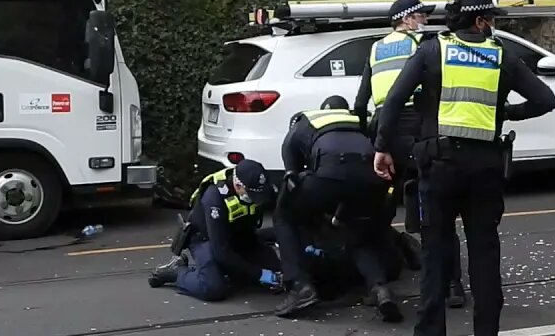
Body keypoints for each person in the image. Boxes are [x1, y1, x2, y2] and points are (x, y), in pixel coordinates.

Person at [375, 0, 555, 336]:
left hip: (439, 168)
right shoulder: (501, 56)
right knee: (485, 255)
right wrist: (503, 114)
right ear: (480, 20)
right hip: (486, 169)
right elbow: (545, 100)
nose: (493, 25)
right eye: (491, 18)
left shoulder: (431, 51)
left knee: (436, 254)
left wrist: (382, 148)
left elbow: (393, 101)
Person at [354, 0, 467, 307]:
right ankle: (453, 285)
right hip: (417, 129)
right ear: (406, 19)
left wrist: (374, 143)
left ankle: (377, 285)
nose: (425, 21)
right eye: (420, 16)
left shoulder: (376, 48)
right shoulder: (425, 44)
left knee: (378, 211)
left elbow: (360, 102)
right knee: (438, 210)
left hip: (385, 134)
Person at [274, 96, 404, 322]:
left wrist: (292, 176)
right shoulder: (356, 119)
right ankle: (379, 288)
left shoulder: (306, 119)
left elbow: (290, 158)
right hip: (370, 174)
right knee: (358, 233)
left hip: (330, 171)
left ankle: (299, 285)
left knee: (284, 216)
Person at [148, 159, 281, 301]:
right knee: (213, 288)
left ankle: (228, 272)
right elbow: (221, 252)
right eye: (252, 196)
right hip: (206, 239)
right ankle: (177, 272)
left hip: (238, 236)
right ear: (238, 185)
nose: (257, 200)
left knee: (276, 268)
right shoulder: (215, 198)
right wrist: (260, 274)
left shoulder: (259, 189)